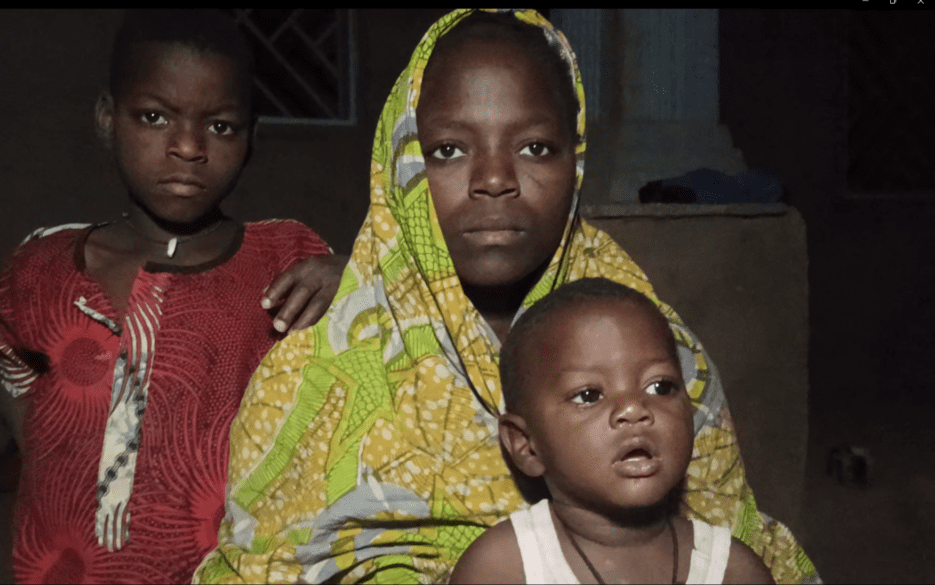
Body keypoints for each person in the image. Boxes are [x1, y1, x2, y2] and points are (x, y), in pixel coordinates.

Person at [195, 9, 817, 584]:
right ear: (401, 166)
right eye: (448, 150)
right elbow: (263, 564)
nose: (494, 179)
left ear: (575, 156)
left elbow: (718, 534)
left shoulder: (655, 344)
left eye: (534, 147)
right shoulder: (315, 371)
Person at [0, 10, 345, 584]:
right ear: (107, 119)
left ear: (253, 136)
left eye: (221, 126)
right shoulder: (42, 265)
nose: (187, 147)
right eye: (154, 117)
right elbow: (12, 373)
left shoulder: (287, 260)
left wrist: (352, 277)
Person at [451, 277, 775, 584]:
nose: (633, 409)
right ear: (527, 446)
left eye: (660, 387)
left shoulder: (732, 570)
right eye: (589, 396)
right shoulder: (503, 568)